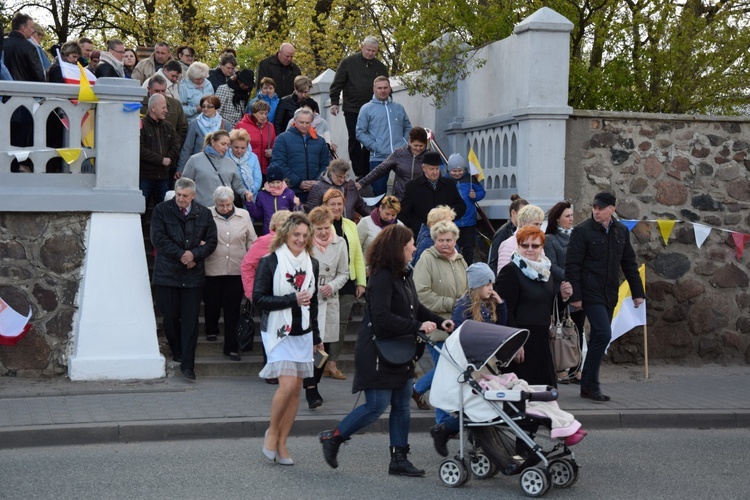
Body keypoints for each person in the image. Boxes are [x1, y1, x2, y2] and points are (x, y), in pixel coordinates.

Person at [319, 224, 453, 476]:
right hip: (378, 351)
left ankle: (399, 459)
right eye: (410, 244)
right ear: (398, 248)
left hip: (400, 348)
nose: (414, 247)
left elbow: (415, 307)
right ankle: (333, 438)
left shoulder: (403, 273)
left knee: (402, 404)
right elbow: (381, 318)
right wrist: (417, 326)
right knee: (376, 406)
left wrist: (438, 320)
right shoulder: (381, 276)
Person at [254, 212, 321, 466]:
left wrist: (317, 336)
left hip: (303, 332)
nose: (301, 239)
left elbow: (313, 303)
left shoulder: (312, 264)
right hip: (277, 331)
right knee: (287, 386)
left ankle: (283, 442)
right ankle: (272, 432)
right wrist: (291, 299)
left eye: (305, 235)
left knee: (296, 391)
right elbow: (258, 299)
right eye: (296, 234)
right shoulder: (270, 261)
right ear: (286, 234)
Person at [565, 192, 645, 402]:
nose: (596, 211)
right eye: (594, 207)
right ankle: (591, 385)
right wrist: (576, 295)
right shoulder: (582, 231)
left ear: (612, 208)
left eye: (601, 208)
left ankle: (587, 384)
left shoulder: (620, 231)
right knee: (602, 333)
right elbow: (572, 265)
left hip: (609, 292)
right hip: (589, 291)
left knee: (602, 336)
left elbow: (629, 262)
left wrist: (638, 293)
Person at [430, 262, 507, 456]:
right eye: (487, 284)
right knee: (475, 404)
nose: (491, 288)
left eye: (492, 284)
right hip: (470, 361)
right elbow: (458, 333)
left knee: (482, 403)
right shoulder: (464, 305)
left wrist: (501, 305)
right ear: (477, 285)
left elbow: (500, 327)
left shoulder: (489, 304)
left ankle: (476, 441)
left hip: (486, 360)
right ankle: (445, 429)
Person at [151, 177, 218, 380]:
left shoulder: (204, 214)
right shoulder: (162, 210)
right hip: (167, 274)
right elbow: (158, 239)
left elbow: (212, 241)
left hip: (192, 275)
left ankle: (188, 365)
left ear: (193, 196)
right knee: (170, 317)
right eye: (178, 194)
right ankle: (177, 350)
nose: (181, 199)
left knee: (190, 321)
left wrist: (194, 255)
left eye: (185, 196)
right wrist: (183, 254)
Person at [495, 226, 572, 388]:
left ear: (541, 247)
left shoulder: (545, 272)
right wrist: (515, 343)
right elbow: (503, 310)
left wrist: (562, 297)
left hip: (541, 340)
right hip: (521, 339)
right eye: (525, 245)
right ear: (518, 246)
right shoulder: (510, 271)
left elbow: (548, 305)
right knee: (521, 394)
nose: (530, 249)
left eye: (535, 245)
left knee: (544, 393)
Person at [412, 221, 468, 413]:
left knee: (451, 371)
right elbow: (421, 295)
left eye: (449, 240)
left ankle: (418, 389)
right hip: (436, 327)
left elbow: (467, 290)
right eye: (441, 240)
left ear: (456, 240)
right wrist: (452, 303)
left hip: (458, 326)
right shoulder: (426, 260)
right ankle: (442, 421)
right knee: (447, 373)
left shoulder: (460, 260)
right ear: (434, 240)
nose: (445, 244)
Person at [303, 206, 350, 409]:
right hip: (309, 299)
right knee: (311, 345)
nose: (323, 232)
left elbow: (344, 272)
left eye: (326, 227)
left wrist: (332, 286)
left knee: (327, 346)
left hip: (330, 299)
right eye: (319, 228)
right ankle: (310, 388)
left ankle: (314, 382)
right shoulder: (303, 243)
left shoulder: (340, 243)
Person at [204, 186, 257, 358]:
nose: (225, 208)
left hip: (236, 269)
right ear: (215, 204)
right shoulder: (206, 214)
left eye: (228, 204)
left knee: (232, 310)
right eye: (221, 205)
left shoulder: (244, 215)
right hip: (212, 268)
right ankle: (211, 328)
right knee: (212, 304)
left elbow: (252, 241)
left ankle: (231, 346)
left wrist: (253, 263)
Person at [241, 210, 293, 385]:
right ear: (275, 225)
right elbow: (247, 265)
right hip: (268, 296)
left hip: (289, 295)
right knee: (271, 331)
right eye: (284, 223)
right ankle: (271, 370)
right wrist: (250, 293)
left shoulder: (295, 243)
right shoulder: (264, 242)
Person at [318, 189, 366, 380]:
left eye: (340, 204)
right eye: (333, 204)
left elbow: (358, 256)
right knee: (320, 322)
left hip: (346, 280)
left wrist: (361, 281)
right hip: (323, 281)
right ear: (325, 206)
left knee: (341, 324)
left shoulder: (350, 225)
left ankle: (332, 364)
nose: (337, 207)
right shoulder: (319, 225)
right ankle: (317, 364)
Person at [329, 36, 389, 178]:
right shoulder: (348, 63)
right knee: (355, 139)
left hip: (373, 109)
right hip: (352, 108)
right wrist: (334, 102)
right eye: (368, 50)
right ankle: (360, 172)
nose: (370, 53)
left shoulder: (380, 67)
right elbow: (338, 83)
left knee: (371, 140)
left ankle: (368, 170)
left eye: (374, 51)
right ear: (362, 47)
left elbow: (386, 88)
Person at [544, 200, 586, 383]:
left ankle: (576, 368)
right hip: (560, 290)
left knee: (578, 329)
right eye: (567, 216)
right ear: (558, 219)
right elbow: (551, 265)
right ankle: (560, 368)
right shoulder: (550, 239)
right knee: (561, 330)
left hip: (579, 289)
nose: (571, 219)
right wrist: (570, 277)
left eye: (571, 216)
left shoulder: (577, 235)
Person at [355, 76, 412, 196]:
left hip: (401, 155)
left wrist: (405, 143)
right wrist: (375, 146)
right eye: (379, 88)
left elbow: (407, 127)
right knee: (379, 193)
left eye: (385, 87)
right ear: (374, 89)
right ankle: (380, 215)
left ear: (390, 88)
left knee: (406, 190)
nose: (383, 90)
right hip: (379, 157)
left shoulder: (398, 108)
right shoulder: (366, 109)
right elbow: (360, 132)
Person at [269, 107, 330, 203]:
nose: (304, 125)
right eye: (301, 122)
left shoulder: (320, 141)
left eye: (307, 122)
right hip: (290, 191)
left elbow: (326, 164)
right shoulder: (282, 139)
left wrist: (316, 182)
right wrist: (298, 182)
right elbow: (279, 164)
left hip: (315, 191)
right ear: (294, 121)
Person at [399, 151, 466, 237]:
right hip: (421, 233)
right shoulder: (412, 186)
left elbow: (461, 206)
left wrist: (446, 214)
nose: (435, 172)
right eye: (431, 169)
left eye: (437, 168)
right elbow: (403, 212)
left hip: (445, 231)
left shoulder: (449, 184)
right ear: (423, 168)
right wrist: (411, 227)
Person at [180, 130, 249, 207]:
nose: (226, 148)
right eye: (223, 144)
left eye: (228, 145)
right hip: (200, 210)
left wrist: (245, 194)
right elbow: (184, 185)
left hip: (224, 210)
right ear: (213, 142)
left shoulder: (231, 163)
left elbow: (238, 185)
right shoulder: (194, 159)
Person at [355, 127, 428, 200]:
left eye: (421, 146)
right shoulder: (399, 154)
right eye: (415, 145)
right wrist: (362, 183)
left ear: (425, 144)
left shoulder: (429, 156)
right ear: (409, 142)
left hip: (421, 199)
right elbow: (380, 169)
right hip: (400, 199)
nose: (418, 149)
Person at [140, 94, 181, 208]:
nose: (166, 111)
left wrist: (168, 159)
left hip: (163, 176)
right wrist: (161, 160)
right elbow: (140, 150)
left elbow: (176, 145)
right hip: (145, 176)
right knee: (141, 208)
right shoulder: (141, 125)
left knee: (164, 209)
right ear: (153, 108)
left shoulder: (169, 126)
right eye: (163, 107)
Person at [446, 153, 486, 265]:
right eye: (454, 171)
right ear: (449, 171)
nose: (457, 173)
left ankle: (468, 267)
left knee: (469, 247)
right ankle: (454, 266)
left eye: (460, 171)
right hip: (453, 222)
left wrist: (476, 196)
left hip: (469, 221)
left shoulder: (471, 179)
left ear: (465, 170)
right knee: (454, 246)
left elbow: (482, 191)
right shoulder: (445, 181)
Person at [177, 95, 231, 171]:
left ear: (216, 108)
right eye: (203, 106)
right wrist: (180, 169)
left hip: (219, 166)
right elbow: (187, 148)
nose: (205, 109)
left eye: (209, 106)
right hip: (198, 166)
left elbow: (229, 148)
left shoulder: (225, 124)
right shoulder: (195, 123)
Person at [304, 158, 370, 219]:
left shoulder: (350, 184)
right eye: (339, 177)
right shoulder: (318, 187)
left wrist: (374, 217)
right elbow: (311, 212)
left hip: (348, 227)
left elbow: (360, 205)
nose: (342, 180)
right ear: (331, 172)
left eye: (345, 177)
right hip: (328, 227)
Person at [246, 166, 302, 235]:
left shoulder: (289, 193)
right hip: (268, 232)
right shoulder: (262, 194)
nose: (275, 185)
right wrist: (250, 203)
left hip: (285, 231)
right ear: (268, 182)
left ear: (282, 181)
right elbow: (258, 215)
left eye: (278, 182)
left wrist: (298, 205)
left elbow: (297, 215)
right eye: (272, 182)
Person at [495, 204, 545, 274]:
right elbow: (503, 275)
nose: (539, 228)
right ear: (523, 223)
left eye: (540, 224)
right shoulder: (508, 244)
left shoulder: (538, 243)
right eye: (536, 224)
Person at [488, 194, 528, 273]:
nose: (526, 217)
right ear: (513, 213)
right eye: (523, 214)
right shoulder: (502, 232)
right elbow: (493, 261)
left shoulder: (525, 231)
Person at [3, 13, 45, 82]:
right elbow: (38, 74)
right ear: (23, 28)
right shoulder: (29, 47)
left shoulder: (2, 43)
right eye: (31, 27)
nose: (33, 31)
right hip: (24, 89)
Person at [228, 128, 262, 200]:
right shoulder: (225, 157)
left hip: (251, 197)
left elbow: (258, 179)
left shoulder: (253, 157)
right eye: (236, 147)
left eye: (243, 148)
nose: (239, 151)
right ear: (230, 144)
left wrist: (250, 193)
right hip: (231, 197)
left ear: (247, 146)